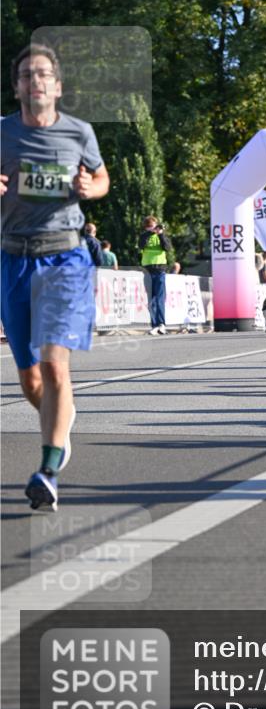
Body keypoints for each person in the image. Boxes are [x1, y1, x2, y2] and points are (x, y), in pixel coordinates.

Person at [1, 43, 110, 511]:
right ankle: (60, 425)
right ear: (17, 86)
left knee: (54, 364)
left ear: (58, 85)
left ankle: (47, 469)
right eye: (27, 75)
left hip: (64, 258)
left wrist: (92, 187)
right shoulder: (2, 133)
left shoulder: (79, 132)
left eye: (43, 74)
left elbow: (102, 180)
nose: (36, 81)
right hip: (12, 258)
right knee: (30, 379)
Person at [139, 215, 172, 335]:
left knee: (160, 299)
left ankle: (162, 324)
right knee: (151, 300)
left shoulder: (161, 236)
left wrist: (161, 234)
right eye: (148, 227)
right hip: (148, 271)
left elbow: (167, 248)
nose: (151, 228)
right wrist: (150, 233)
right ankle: (154, 325)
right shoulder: (144, 236)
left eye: (152, 226)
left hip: (160, 270)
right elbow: (141, 245)